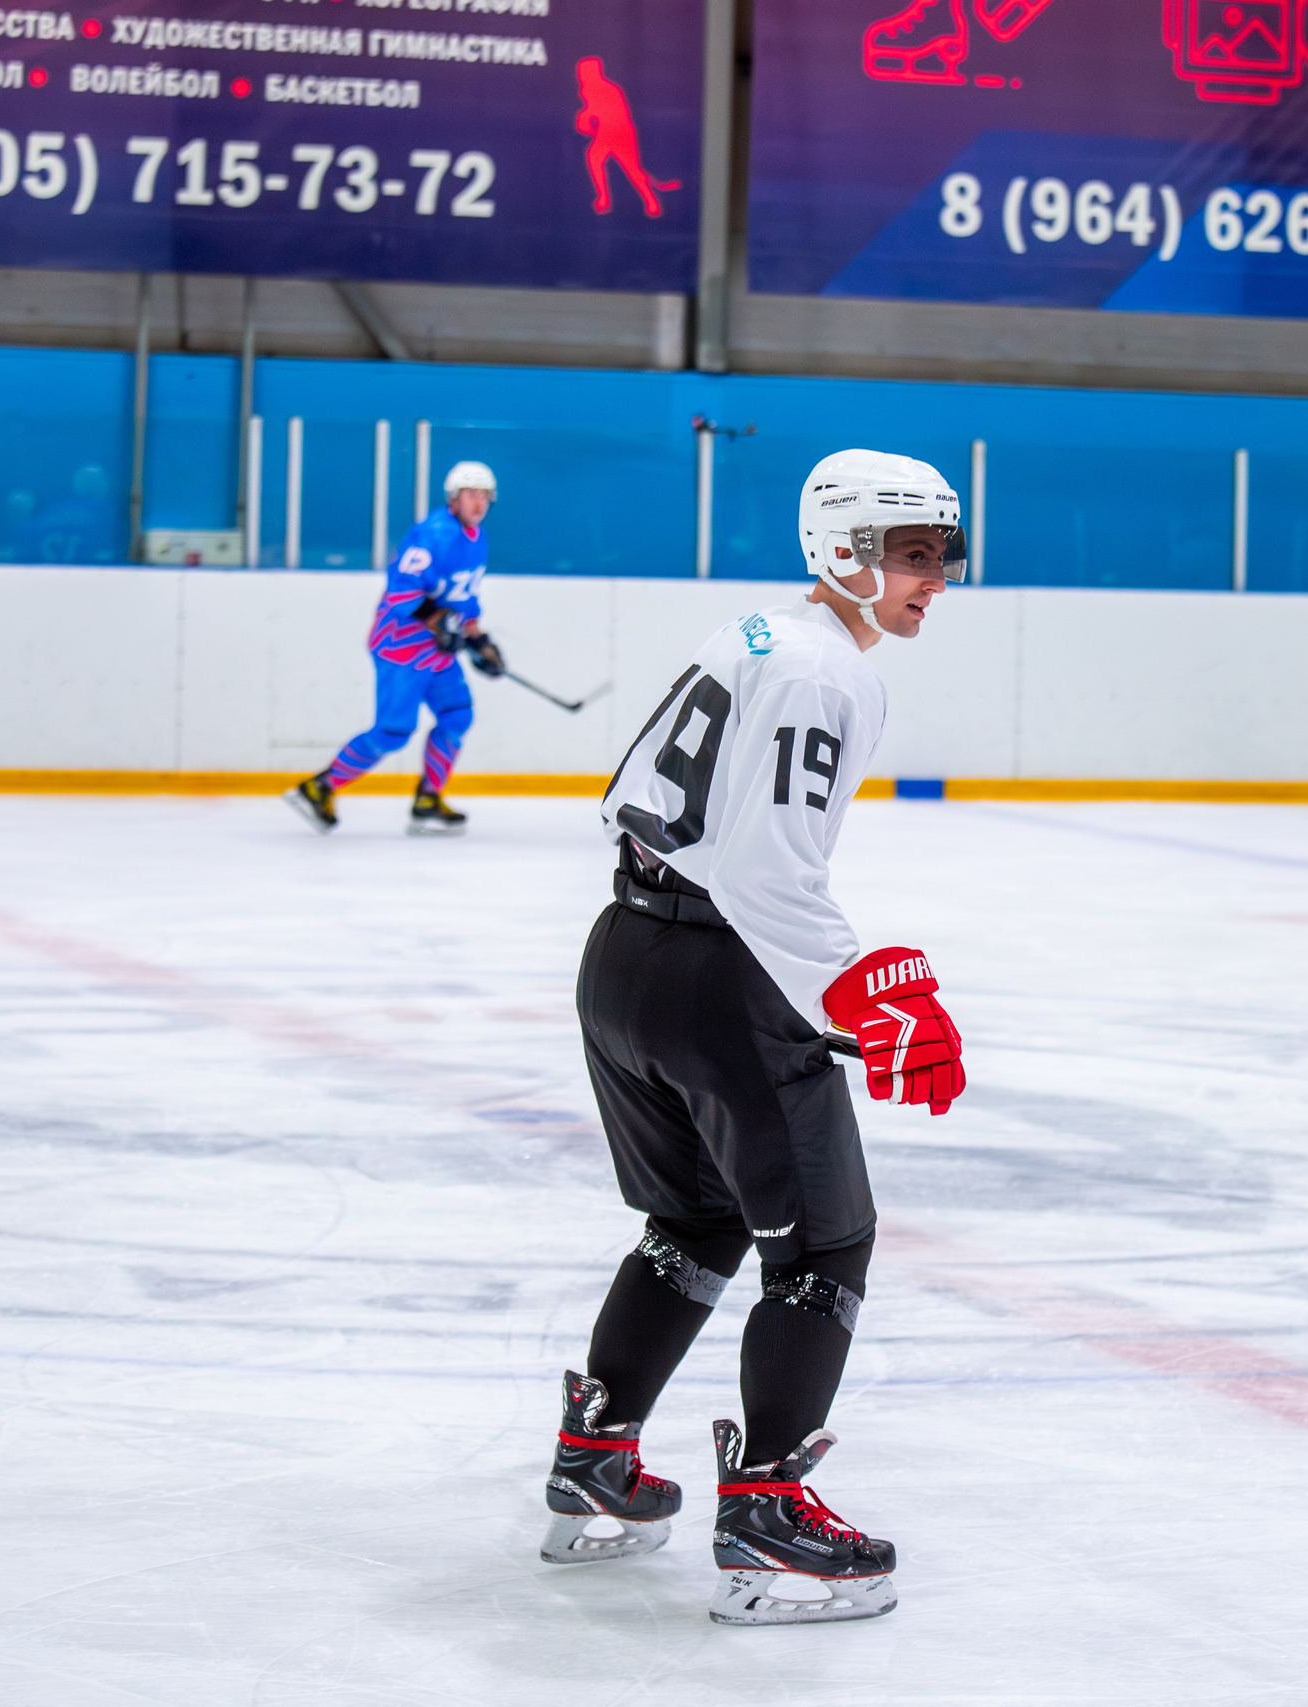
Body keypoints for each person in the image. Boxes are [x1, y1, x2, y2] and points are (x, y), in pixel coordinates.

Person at [543, 449, 970, 1627]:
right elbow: (768, 871)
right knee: (826, 1243)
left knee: (693, 1218)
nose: (938, 576)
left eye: (944, 552)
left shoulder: (755, 637)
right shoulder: (833, 675)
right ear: (844, 550)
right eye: (915, 554)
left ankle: (599, 1460)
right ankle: (767, 1511)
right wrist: (864, 992)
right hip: (721, 973)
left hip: (624, 954)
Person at [283, 461, 508, 836]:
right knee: (393, 730)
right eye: (471, 494)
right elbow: (401, 588)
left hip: (435, 652)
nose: (479, 502)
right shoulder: (433, 534)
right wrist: (438, 622)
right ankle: (318, 787)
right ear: (454, 499)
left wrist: (479, 641)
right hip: (401, 647)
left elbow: (464, 599)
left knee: (457, 715)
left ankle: (427, 798)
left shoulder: (476, 539)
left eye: (485, 496)